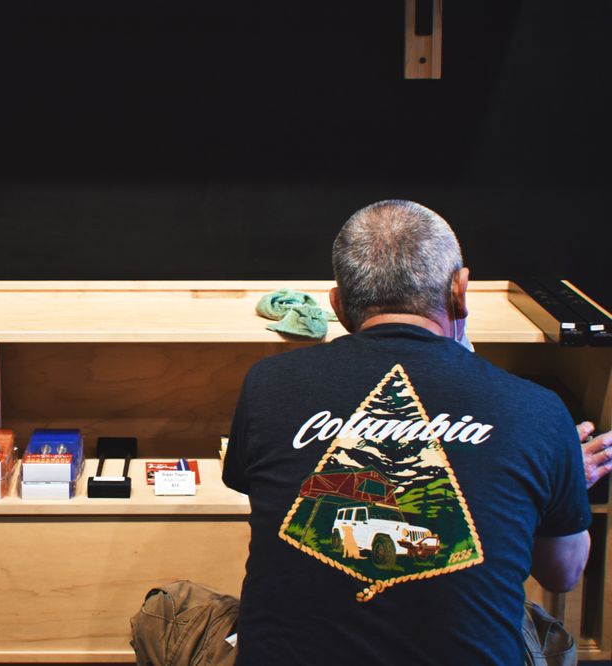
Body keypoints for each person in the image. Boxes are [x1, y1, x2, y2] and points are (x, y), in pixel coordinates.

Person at [222, 199, 608, 664]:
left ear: (338, 305)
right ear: (460, 292)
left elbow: (273, 520)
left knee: (177, 609)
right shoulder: (540, 413)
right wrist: (562, 479)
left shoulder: (268, 385)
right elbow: (563, 574)